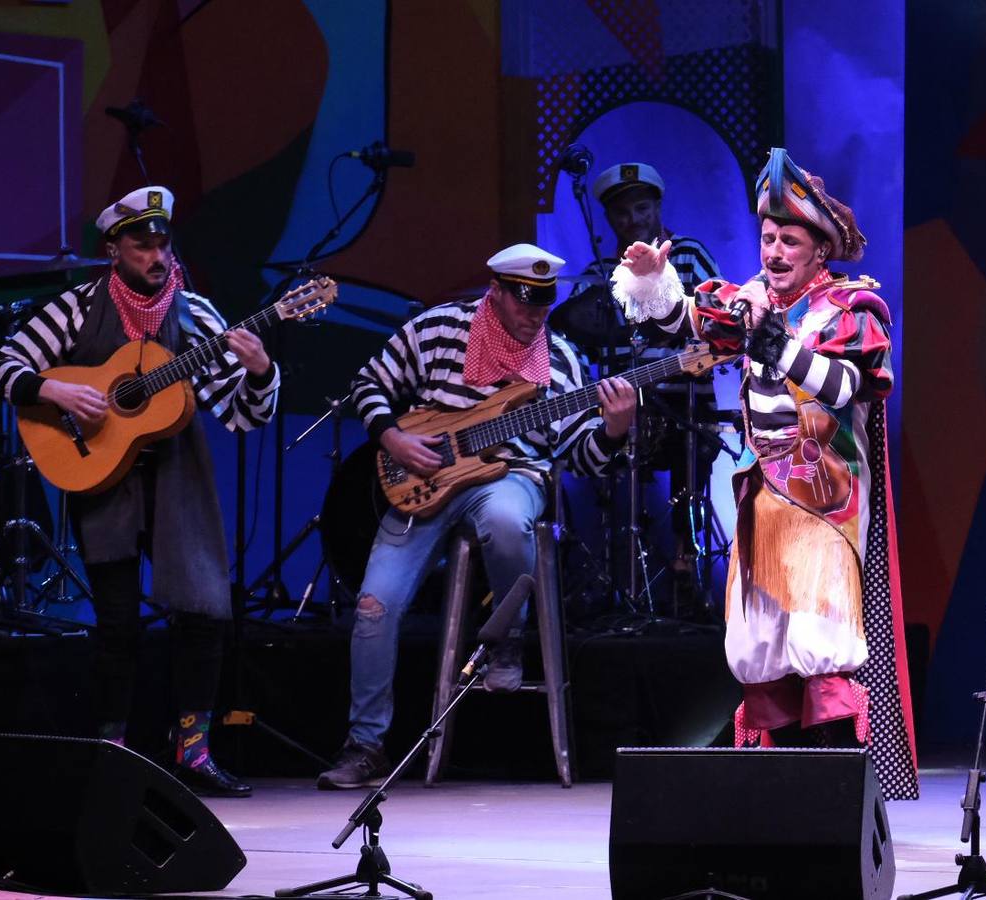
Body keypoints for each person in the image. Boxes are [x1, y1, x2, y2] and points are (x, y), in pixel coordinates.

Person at [613, 148, 919, 800]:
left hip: (824, 497)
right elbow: (684, 320)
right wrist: (652, 280)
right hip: (762, 495)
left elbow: (845, 384)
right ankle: (777, 799)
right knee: (761, 643)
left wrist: (770, 342)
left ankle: (838, 798)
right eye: (767, 237)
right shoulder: (752, 300)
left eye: (789, 240)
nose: (775, 251)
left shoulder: (848, 307)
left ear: (819, 249)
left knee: (818, 638)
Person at [0, 186, 279, 797]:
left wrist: (259, 372)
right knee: (117, 623)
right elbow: (1, 366)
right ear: (114, 247)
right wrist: (57, 392)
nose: (156, 253)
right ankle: (111, 752)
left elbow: (239, 415)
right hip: (103, 475)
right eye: (141, 243)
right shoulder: (75, 307)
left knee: (203, 611)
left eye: (162, 241)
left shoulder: (198, 316)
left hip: (178, 474)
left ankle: (193, 753)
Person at [317, 243, 636, 790]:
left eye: (544, 301)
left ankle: (505, 639)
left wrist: (613, 428)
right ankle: (365, 744)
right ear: (496, 289)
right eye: (523, 299)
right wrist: (393, 439)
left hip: (511, 475)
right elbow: (367, 385)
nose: (534, 312)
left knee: (508, 519)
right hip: (422, 481)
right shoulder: (440, 328)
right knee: (373, 606)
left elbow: (578, 457)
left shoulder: (559, 358)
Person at [554, 162, 724, 591]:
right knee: (583, 441)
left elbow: (716, 321)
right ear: (609, 219)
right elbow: (571, 336)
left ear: (658, 207)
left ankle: (687, 564)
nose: (633, 220)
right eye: (622, 213)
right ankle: (606, 577)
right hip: (620, 411)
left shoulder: (688, 254)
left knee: (692, 444)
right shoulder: (598, 276)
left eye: (642, 208)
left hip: (682, 403)